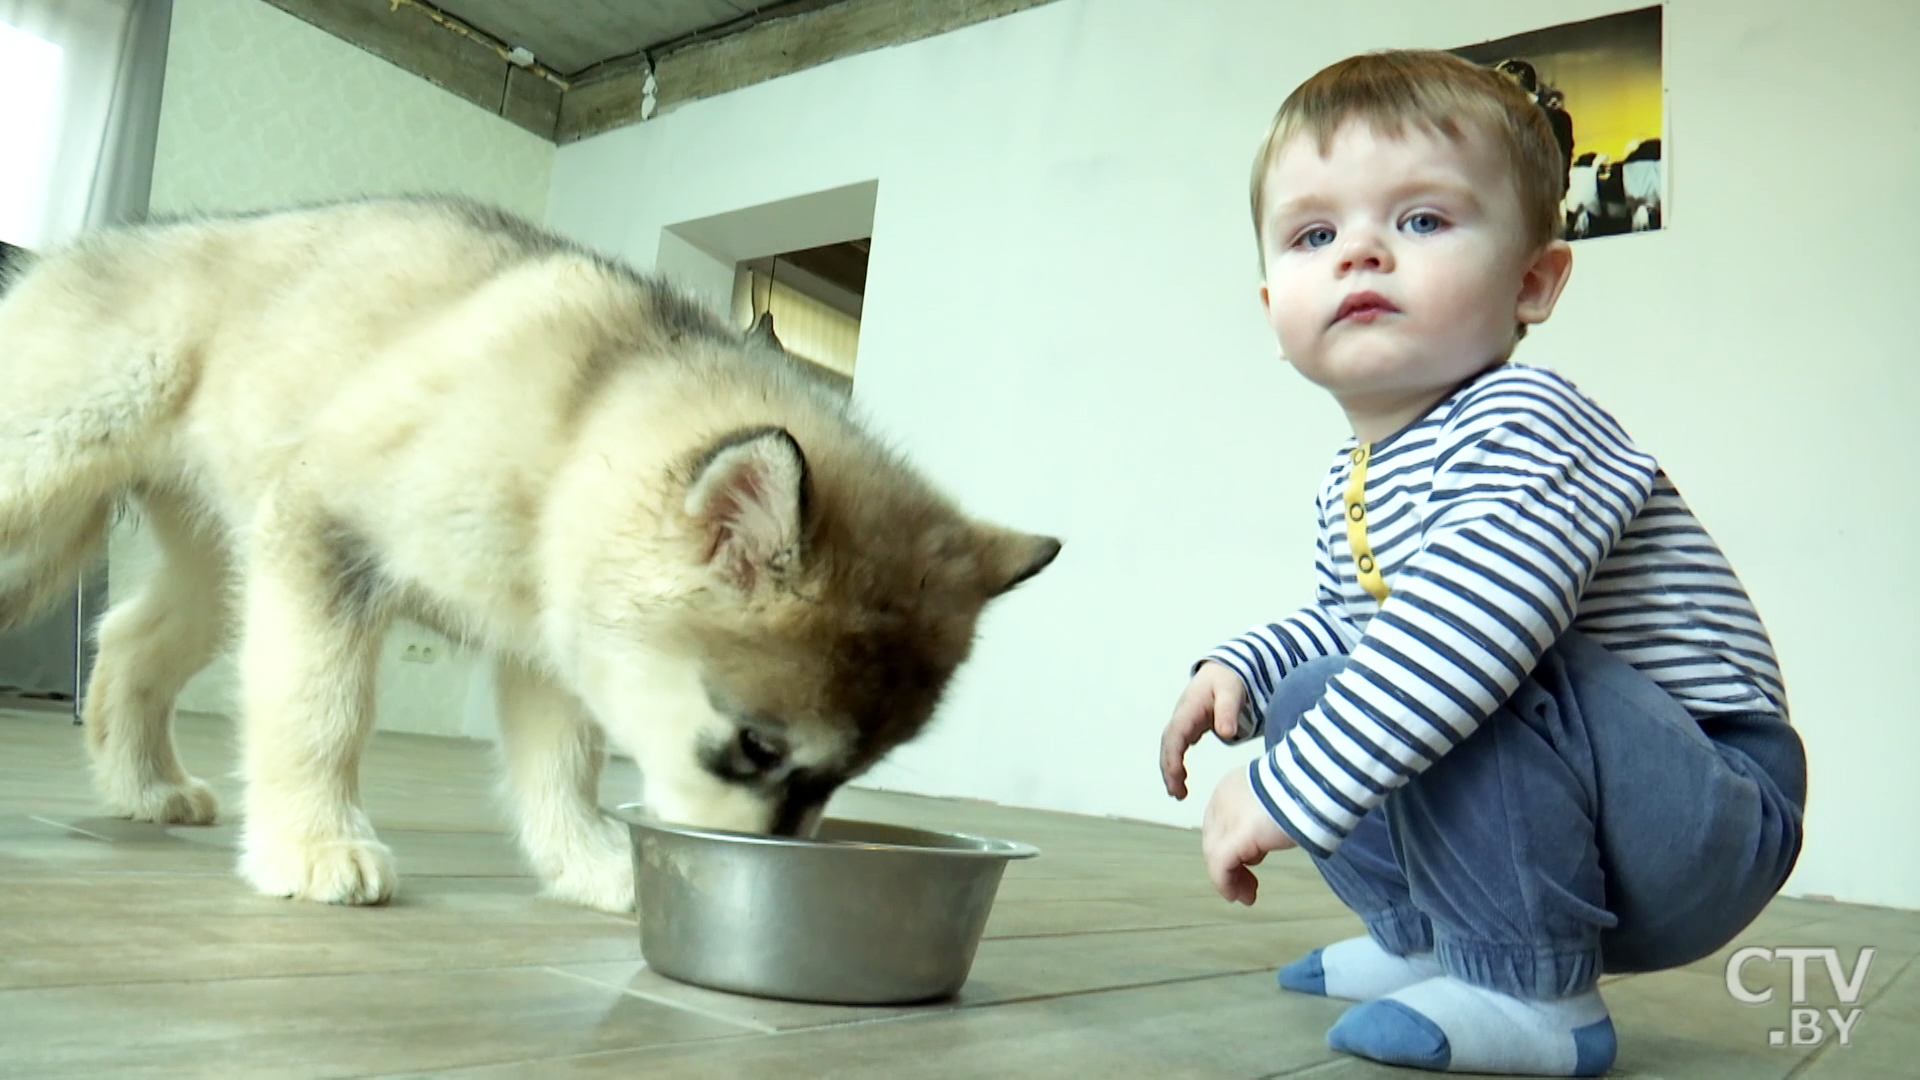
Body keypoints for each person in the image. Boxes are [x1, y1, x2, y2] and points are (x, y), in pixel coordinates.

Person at [1156, 49, 1805, 1077]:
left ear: (1533, 282)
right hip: (1574, 806)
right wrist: (1249, 666)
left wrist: (1287, 790)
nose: (1362, 253)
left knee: (1453, 665)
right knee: (1329, 685)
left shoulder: (1529, 419)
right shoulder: (1353, 477)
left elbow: (1465, 632)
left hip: (1704, 805)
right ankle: (1432, 938)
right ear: (1275, 304)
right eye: (1317, 234)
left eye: (1421, 221)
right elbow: (1360, 631)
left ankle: (1534, 994)